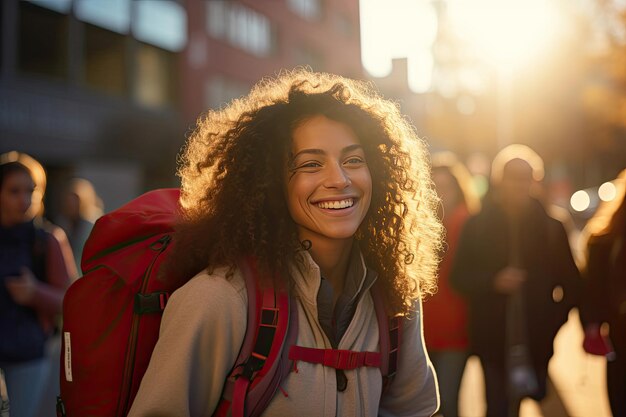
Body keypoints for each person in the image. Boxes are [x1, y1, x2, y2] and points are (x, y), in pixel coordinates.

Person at [128, 70, 443, 416]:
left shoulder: (395, 298)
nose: (339, 179)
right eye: (311, 164)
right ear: (270, 183)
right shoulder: (219, 299)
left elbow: (414, 410)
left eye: (354, 160)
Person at [449, 144, 581, 417]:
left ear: (535, 181)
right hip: (492, 338)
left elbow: (573, 285)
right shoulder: (479, 224)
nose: (519, 185)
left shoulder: (552, 227)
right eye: (513, 177)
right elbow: (459, 276)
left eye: (526, 178)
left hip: (537, 338)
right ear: (500, 180)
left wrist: (552, 320)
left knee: (527, 400)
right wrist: (493, 281)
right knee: (496, 407)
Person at [0, 159, 73, 417]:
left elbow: (72, 300)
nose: (24, 199)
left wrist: (35, 293)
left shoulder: (48, 239)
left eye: (30, 191)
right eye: (14, 191)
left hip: (29, 354)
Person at [423, 152, 480, 417]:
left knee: (446, 400)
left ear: (458, 189)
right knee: (423, 405)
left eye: (446, 187)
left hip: (456, 331)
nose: (441, 195)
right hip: (421, 331)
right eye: (435, 188)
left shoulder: (468, 224)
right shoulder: (418, 227)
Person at [579, 168, 626, 417]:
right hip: (619, 334)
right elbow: (593, 290)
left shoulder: (603, 240)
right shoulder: (605, 241)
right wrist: (592, 323)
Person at [56, 178, 103, 273]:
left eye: (75, 200)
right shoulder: (62, 224)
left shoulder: (93, 225)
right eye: (68, 201)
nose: (71, 205)